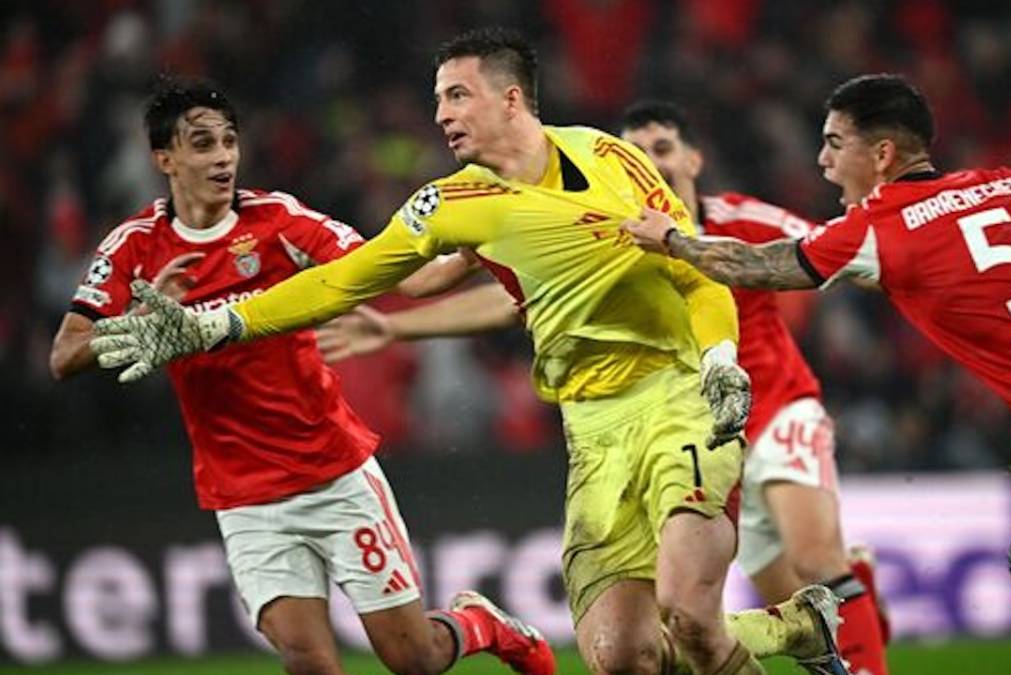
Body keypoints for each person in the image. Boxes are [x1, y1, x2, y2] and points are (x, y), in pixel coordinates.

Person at [85, 30, 848, 675]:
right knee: (621, 655)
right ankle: (788, 628)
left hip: (679, 398)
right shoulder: (453, 204)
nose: (441, 113)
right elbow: (341, 281)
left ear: (510, 98)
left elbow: (695, 272)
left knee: (686, 608)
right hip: (591, 428)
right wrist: (218, 325)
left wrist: (719, 358)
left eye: (457, 95)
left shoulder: (614, 158)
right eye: (438, 98)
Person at [623, 73, 1011, 675]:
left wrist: (672, 241)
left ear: (881, 154)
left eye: (834, 143)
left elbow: (755, 265)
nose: (821, 161)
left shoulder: (879, 227)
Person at [315, 100, 891, 675]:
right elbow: (511, 298)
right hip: (647, 425)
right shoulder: (606, 225)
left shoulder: (740, 219)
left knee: (812, 559)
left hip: (772, 408)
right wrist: (392, 322)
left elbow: (833, 251)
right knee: (659, 641)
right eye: (638, 152)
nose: (650, 163)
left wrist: (903, 265)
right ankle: (797, 625)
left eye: (662, 149)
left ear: (694, 158)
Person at [49, 75, 554, 675]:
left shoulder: (279, 221)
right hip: (242, 493)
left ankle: (481, 623)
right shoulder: (135, 247)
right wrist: (135, 322)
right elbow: (64, 355)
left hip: (331, 472)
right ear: (165, 159)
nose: (223, 158)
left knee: (412, 658)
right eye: (203, 144)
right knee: (308, 662)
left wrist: (479, 242)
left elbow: (404, 278)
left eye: (229, 142)